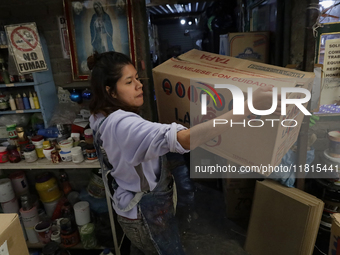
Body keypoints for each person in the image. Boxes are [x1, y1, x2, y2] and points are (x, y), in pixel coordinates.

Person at [88, 51, 280, 255]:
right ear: (111, 91)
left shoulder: (99, 116)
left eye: (137, 77)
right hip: (146, 215)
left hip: (128, 212)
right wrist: (248, 107)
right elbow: (186, 140)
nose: (139, 85)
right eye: (129, 82)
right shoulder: (123, 124)